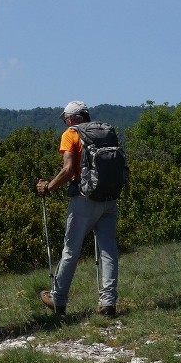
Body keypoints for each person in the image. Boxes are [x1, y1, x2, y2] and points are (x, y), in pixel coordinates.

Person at [35, 100, 119, 318]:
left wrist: (48, 187)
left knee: (71, 250)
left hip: (84, 199)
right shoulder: (106, 132)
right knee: (108, 250)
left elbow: (68, 169)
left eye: (65, 119)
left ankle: (58, 299)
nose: (65, 123)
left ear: (72, 118)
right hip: (109, 198)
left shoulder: (71, 134)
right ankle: (108, 302)